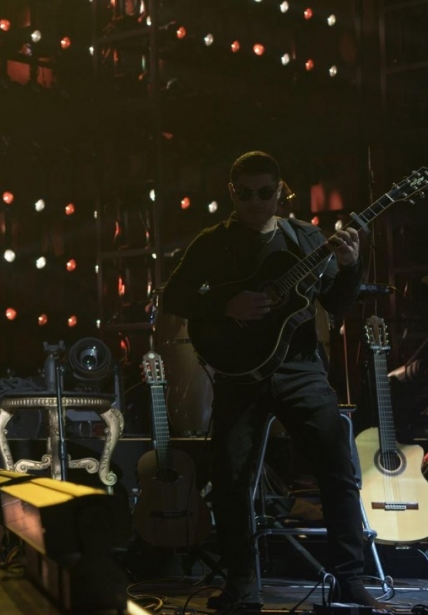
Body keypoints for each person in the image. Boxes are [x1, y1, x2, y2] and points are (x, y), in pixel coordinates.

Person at [161, 151, 383, 611]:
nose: (255, 202)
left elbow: (336, 305)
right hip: (239, 375)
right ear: (231, 193)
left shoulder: (306, 238)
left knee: (338, 471)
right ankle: (242, 585)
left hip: (299, 369)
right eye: (245, 194)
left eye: (265, 193)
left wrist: (351, 266)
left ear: (280, 191)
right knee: (229, 479)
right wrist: (226, 305)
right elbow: (175, 296)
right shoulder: (212, 243)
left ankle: (349, 580)